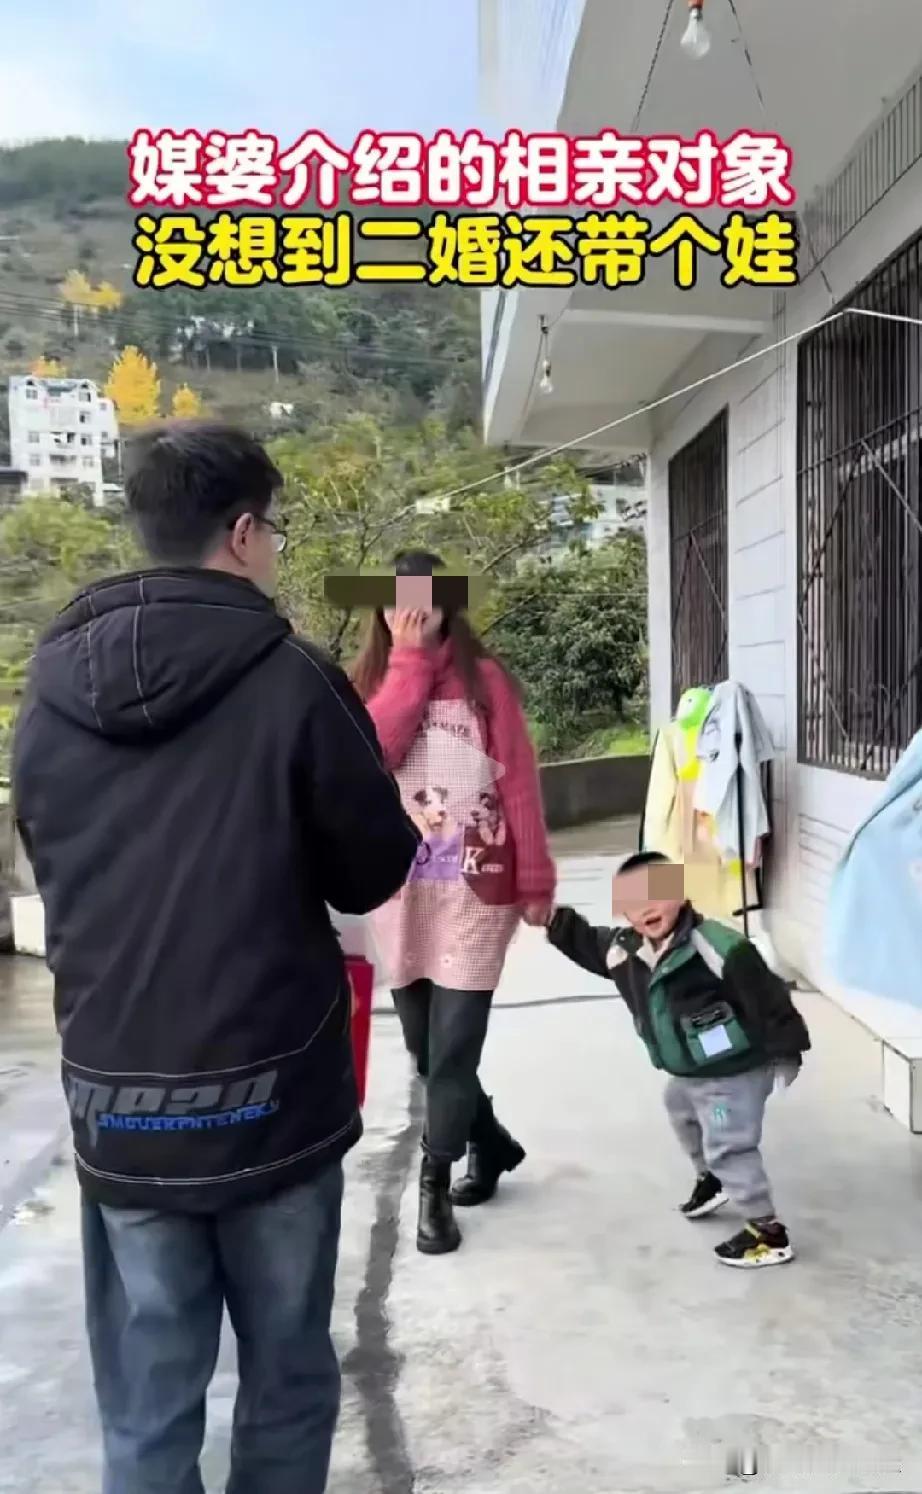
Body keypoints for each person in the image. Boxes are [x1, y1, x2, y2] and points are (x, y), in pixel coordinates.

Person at [12, 422, 419, 1494]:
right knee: (285, 1379)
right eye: (271, 529)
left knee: (147, 1407)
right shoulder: (293, 677)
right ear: (242, 533)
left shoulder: (47, 693)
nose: (273, 547)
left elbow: (52, 866)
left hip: (117, 1103)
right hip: (271, 1099)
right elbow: (370, 871)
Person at [352, 550, 555, 1256]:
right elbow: (374, 753)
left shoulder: (486, 681)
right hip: (401, 891)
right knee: (425, 1048)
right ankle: (490, 1141)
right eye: (397, 601)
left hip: (476, 887)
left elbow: (519, 783)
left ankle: (433, 1185)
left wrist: (536, 880)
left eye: (425, 599)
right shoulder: (366, 683)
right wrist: (409, 662)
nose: (411, 612)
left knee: (456, 1046)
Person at [545, 851, 810, 1269]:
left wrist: (787, 1051)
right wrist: (551, 919)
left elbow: (769, 998)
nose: (646, 909)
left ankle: (768, 1233)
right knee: (680, 1109)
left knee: (729, 1145)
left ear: (681, 893)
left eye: (657, 894)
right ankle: (713, 1178)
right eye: (633, 902)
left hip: (733, 1073)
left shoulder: (718, 947)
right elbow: (587, 942)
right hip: (691, 1073)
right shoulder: (626, 950)